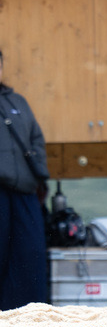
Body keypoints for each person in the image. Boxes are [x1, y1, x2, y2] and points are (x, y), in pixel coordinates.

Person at [0, 48, 50, 310]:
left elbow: (36, 139)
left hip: (24, 193)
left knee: (29, 258)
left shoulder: (17, 101)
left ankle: (28, 323)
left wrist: (38, 173)